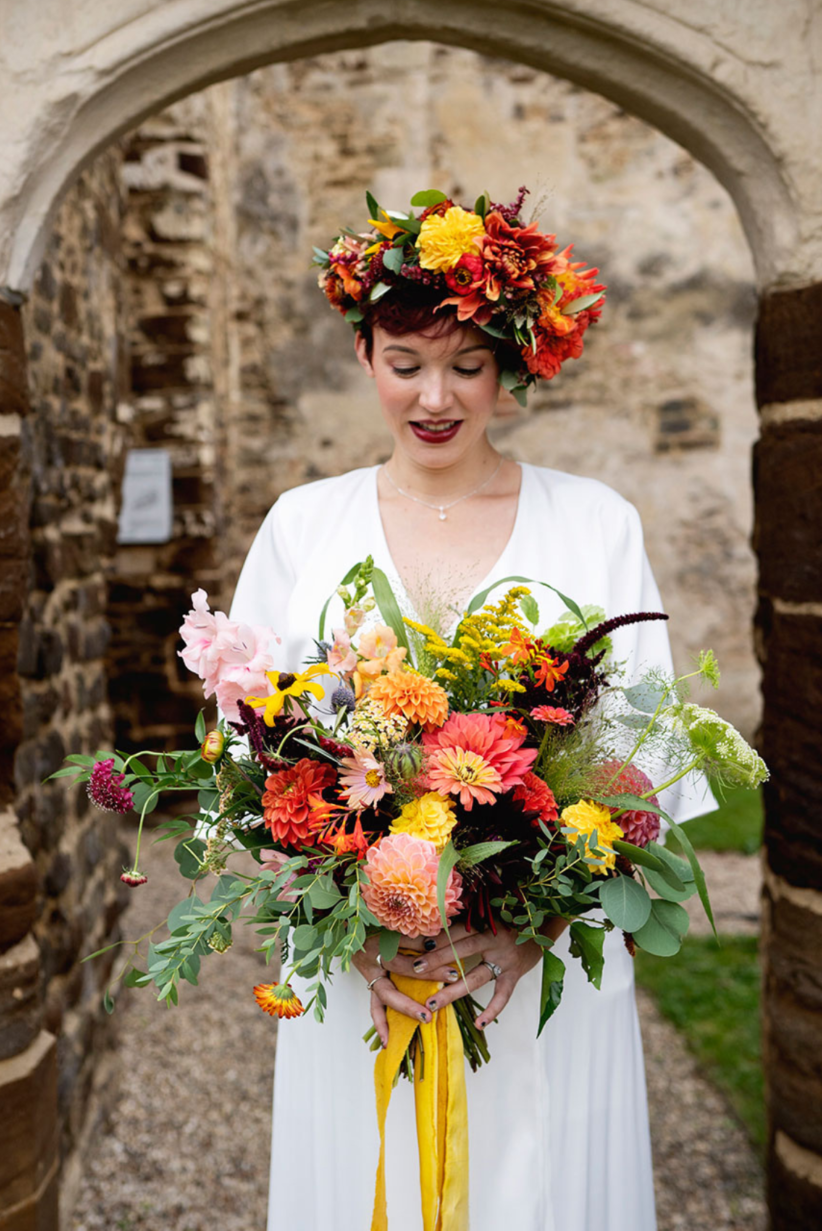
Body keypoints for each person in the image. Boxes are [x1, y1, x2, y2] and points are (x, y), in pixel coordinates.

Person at [229, 194, 715, 1231]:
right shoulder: (301, 526)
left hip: (537, 976)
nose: (434, 396)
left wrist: (522, 935)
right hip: (362, 970)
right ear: (364, 352)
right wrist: (357, 930)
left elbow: (642, 771)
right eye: (405, 361)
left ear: (515, 367)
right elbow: (247, 769)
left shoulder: (594, 523)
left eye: (466, 366)